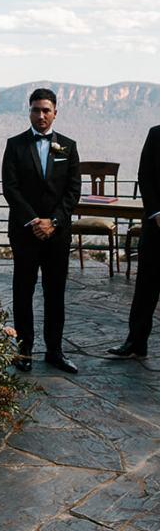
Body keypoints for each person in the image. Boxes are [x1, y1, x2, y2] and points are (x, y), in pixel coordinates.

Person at [1, 88, 81, 374]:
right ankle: (24, 352)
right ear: (30, 111)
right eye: (36, 109)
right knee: (23, 291)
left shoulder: (69, 147)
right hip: (25, 233)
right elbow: (10, 188)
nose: (41, 115)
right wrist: (34, 221)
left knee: (55, 292)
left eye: (46, 110)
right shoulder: (15, 145)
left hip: (57, 234)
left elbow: (73, 191)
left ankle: (55, 351)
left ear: (55, 113)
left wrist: (54, 222)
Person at [108, 125, 160, 359]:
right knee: (145, 287)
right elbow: (144, 175)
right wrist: (156, 213)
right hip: (156, 225)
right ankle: (136, 342)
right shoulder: (156, 133)